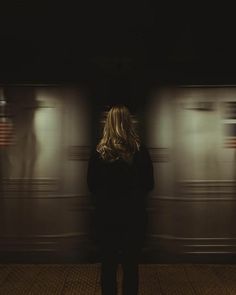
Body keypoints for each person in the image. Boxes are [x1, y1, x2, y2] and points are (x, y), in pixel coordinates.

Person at [87, 105, 154, 295]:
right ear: (128, 123)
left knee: (108, 267)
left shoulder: (98, 153)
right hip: (134, 220)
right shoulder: (140, 151)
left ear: (108, 123)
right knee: (131, 268)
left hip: (106, 221)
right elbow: (150, 184)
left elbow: (91, 186)